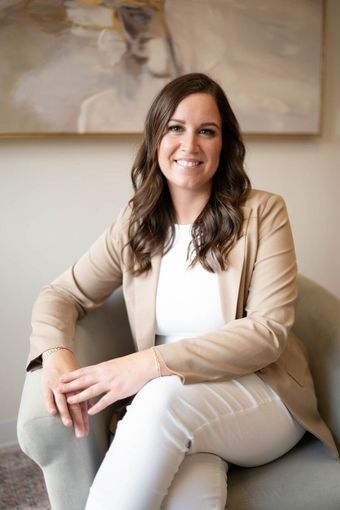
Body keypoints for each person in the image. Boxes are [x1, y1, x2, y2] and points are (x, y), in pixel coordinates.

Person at [28, 73, 337, 510]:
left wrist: (150, 365)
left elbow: (268, 333)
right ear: (156, 138)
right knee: (188, 494)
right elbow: (61, 294)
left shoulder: (263, 213)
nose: (190, 145)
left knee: (159, 397)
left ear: (222, 144)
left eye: (206, 131)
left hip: (262, 396)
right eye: (176, 127)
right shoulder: (136, 223)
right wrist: (57, 351)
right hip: (180, 411)